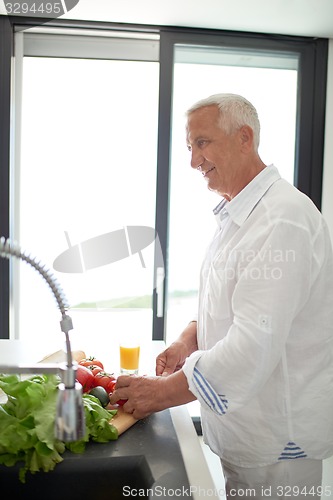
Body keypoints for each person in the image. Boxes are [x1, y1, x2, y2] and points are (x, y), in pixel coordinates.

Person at [110, 93, 333, 499]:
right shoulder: (239, 215)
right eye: (190, 146)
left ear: (244, 138)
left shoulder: (282, 219)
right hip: (248, 430)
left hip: (278, 445)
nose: (194, 161)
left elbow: (253, 345)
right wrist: (189, 338)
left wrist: (161, 392)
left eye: (202, 143)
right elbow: (236, 308)